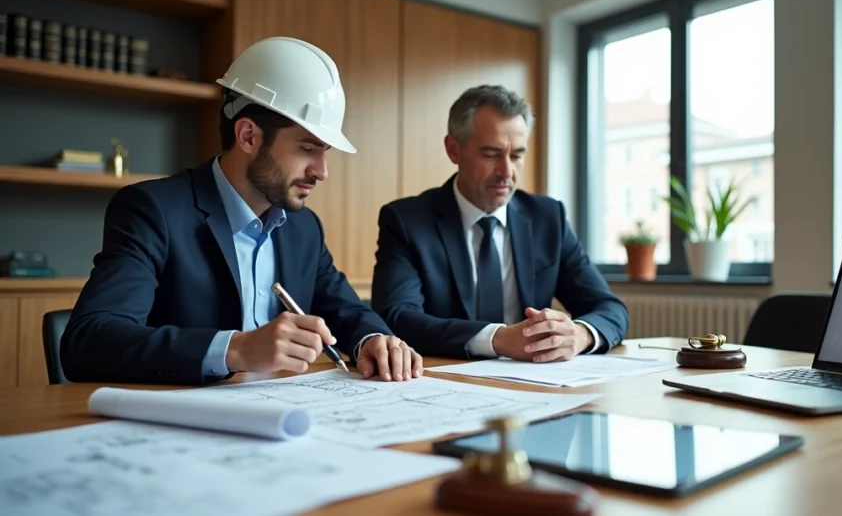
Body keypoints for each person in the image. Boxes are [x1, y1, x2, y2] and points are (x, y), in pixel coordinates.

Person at [62, 37, 422, 385]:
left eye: (324, 151)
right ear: (248, 136)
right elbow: (88, 342)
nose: (321, 170)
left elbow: (346, 310)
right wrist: (235, 349)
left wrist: (374, 339)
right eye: (307, 148)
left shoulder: (303, 227)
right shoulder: (153, 211)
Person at [371, 84, 629, 361]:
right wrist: (497, 339)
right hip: (443, 378)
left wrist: (580, 334)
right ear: (454, 149)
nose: (507, 171)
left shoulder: (547, 217)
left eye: (517, 155)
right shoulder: (407, 221)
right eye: (491, 154)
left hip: (532, 383)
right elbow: (396, 317)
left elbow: (609, 308)